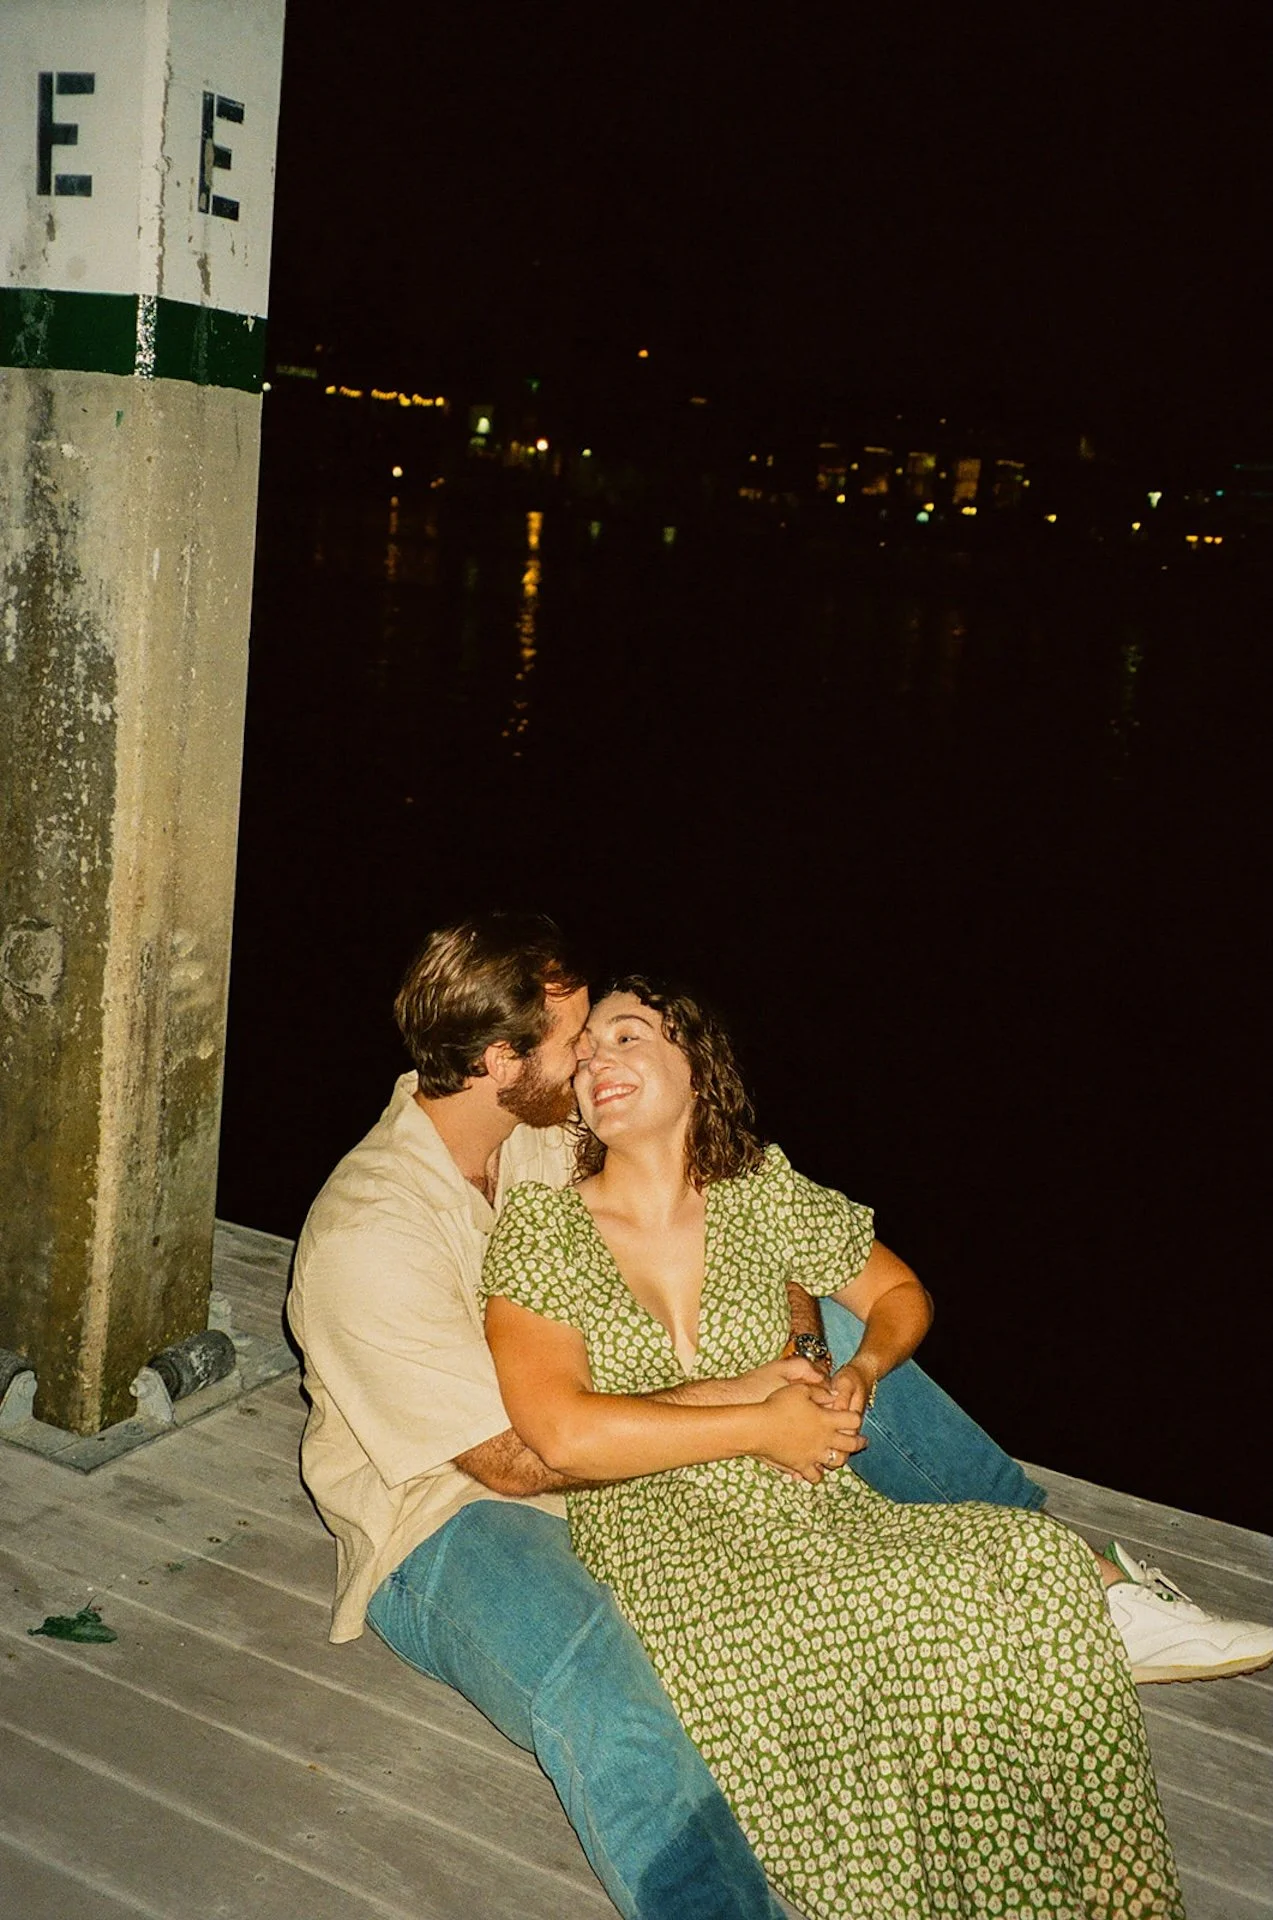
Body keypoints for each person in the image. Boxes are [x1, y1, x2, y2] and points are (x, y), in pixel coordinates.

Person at [287, 914, 1272, 1920]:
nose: (590, 1057)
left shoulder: (538, 1130)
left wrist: (799, 1354)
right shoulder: (371, 1233)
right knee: (602, 1686)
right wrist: (746, 1405)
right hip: (449, 1507)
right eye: (575, 1041)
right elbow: (519, 1459)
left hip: (602, 1427)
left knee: (841, 1346)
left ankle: (1081, 1574)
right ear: (502, 1059)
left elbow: (749, 1221)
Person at [481, 978, 1188, 1919]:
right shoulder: (544, 1229)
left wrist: (859, 1375)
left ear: (696, 1065)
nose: (598, 1061)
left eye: (628, 1035)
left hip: (809, 1500)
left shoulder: (760, 1193)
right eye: (586, 1053)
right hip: (664, 1532)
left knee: (1036, 1561)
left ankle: (1097, 1899)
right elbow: (560, 1429)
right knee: (909, 1620)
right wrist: (758, 1422)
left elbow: (901, 1297)